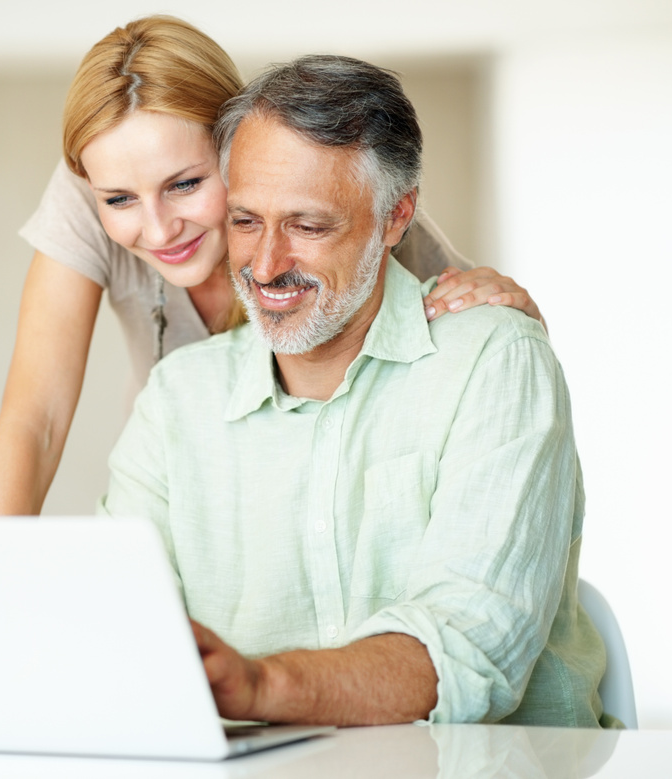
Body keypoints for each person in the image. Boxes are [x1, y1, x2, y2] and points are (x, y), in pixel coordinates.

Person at [99, 54, 609, 727]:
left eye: (308, 226)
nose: (266, 265)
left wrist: (261, 685)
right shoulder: (176, 400)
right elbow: (116, 627)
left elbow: (471, 649)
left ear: (396, 217)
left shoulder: (493, 361)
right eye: (246, 221)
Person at [0, 16, 542, 516]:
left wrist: (507, 305)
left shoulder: (335, 208)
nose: (159, 228)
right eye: (118, 199)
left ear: (237, 149)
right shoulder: (85, 198)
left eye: (187, 184)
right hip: (193, 485)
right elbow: (35, 420)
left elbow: (501, 343)